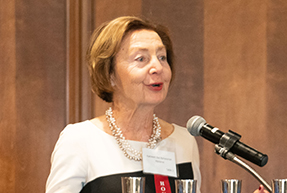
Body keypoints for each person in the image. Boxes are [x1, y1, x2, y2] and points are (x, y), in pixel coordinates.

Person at [46, 16, 201, 193]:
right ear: (110, 74)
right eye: (141, 59)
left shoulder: (184, 141)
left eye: (162, 57)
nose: (157, 67)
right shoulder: (80, 141)